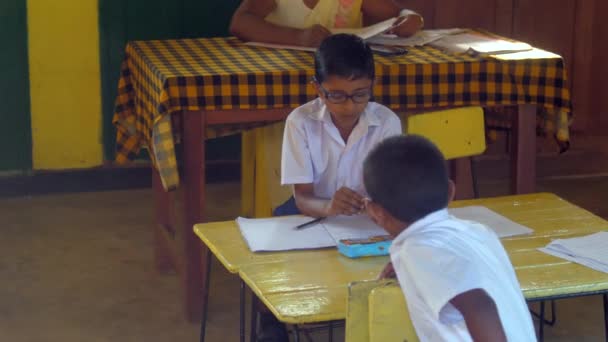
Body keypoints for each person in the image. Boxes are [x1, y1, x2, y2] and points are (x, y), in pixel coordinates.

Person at [362, 135, 537, 341]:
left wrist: (414, 259)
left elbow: (480, 306)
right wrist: (406, 266)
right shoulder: (476, 231)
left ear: (374, 211)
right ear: (451, 191)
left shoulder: (420, 251)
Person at [277, 33, 402, 218]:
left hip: (367, 219)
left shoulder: (387, 123)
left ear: (372, 86)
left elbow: (390, 192)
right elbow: (303, 198)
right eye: (336, 95)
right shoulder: (300, 122)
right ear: (318, 89)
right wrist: (329, 207)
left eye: (360, 94)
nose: (349, 106)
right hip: (315, 214)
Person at [229, 0, 424, 47]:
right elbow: (240, 23)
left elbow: (398, 12)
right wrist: (298, 37)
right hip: (282, 85)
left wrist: (411, 17)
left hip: (342, 88)